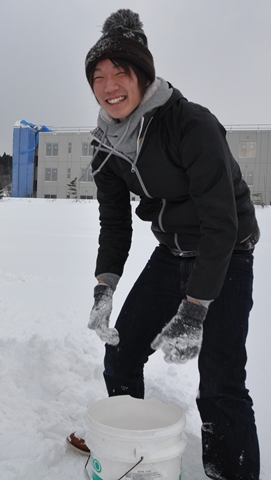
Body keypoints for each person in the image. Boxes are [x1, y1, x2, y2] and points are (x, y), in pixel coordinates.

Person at [68, 9, 260, 479]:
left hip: (226, 254)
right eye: (98, 76)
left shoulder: (189, 123)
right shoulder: (104, 145)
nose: (109, 85)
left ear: (143, 75)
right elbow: (114, 225)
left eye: (121, 73)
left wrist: (195, 309)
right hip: (171, 252)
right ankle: (128, 446)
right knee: (122, 354)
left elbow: (223, 222)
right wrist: (104, 288)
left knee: (220, 383)